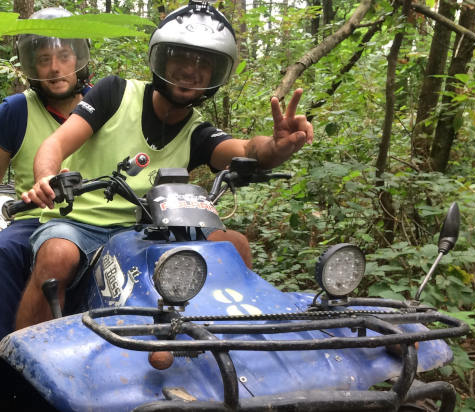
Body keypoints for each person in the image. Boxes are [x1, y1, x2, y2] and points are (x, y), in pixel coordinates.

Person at [17, 0, 314, 330]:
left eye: (205, 63)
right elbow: (55, 143)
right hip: (81, 223)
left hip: (155, 229)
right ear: (162, 58)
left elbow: (245, 150)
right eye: (182, 57)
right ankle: (26, 354)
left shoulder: (196, 132)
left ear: (216, 74)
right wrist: (47, 176)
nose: (191, 69)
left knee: (235, 245)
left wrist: (275, 147)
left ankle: (235, 347)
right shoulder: (114, 94)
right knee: (57, 255)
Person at [0, 6, 91, 396]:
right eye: (44, 59)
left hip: (103, 215)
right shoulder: (16, 111)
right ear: (30, 65)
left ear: (79, 58)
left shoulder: (104, 104)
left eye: (64, 57)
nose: (55, 68)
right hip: (37, 218)